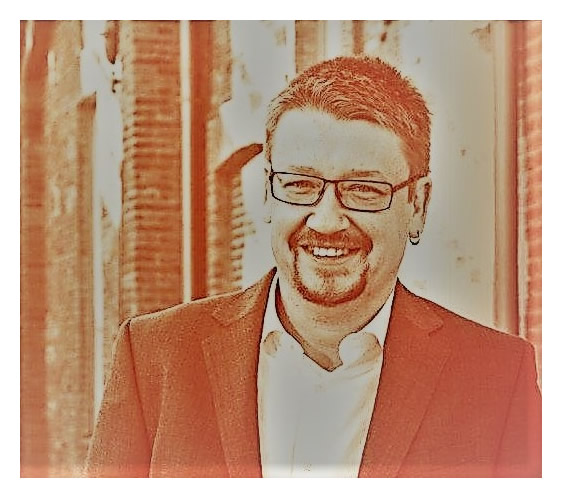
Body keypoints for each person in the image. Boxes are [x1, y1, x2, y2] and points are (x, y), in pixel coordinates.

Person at [85, 56, 541, 478]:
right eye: (299, 184)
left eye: (364, 189)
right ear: (267, 194)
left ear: (418, 205)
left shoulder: (496, 381)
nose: (326, 221)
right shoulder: (154, 359)